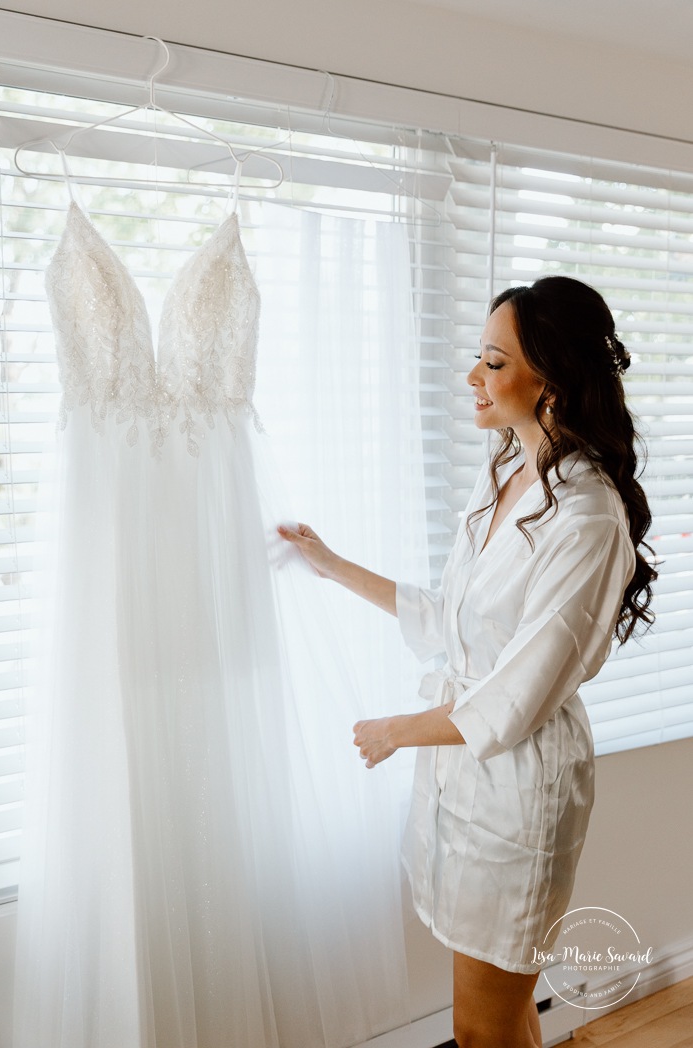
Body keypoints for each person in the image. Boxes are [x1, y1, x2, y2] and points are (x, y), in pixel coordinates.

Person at [277, 275, 656, 1048]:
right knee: (501, 1011)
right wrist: (334, 566)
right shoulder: (505, 478)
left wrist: (396, 731)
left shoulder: (585, 516)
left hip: (520, 793)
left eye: (492, 362)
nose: (471, 378)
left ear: (548, 382)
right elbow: (451, 621)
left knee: (481, 1026)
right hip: (464, 781)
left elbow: (517, 692)